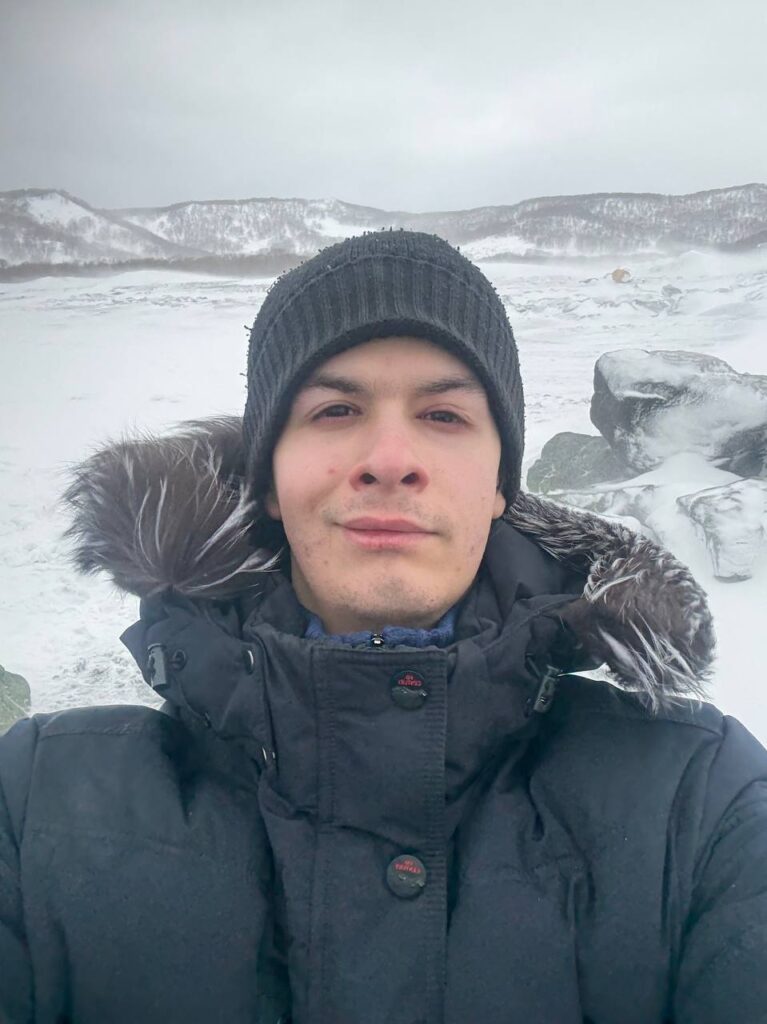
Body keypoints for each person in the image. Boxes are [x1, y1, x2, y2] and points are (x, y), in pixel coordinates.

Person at [1, 230, 766, 1024]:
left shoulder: (699, 804)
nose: (391, 458)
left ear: (500, 487)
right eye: (335, 409)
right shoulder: (34, 805)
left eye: (443, 413)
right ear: (269, 480)